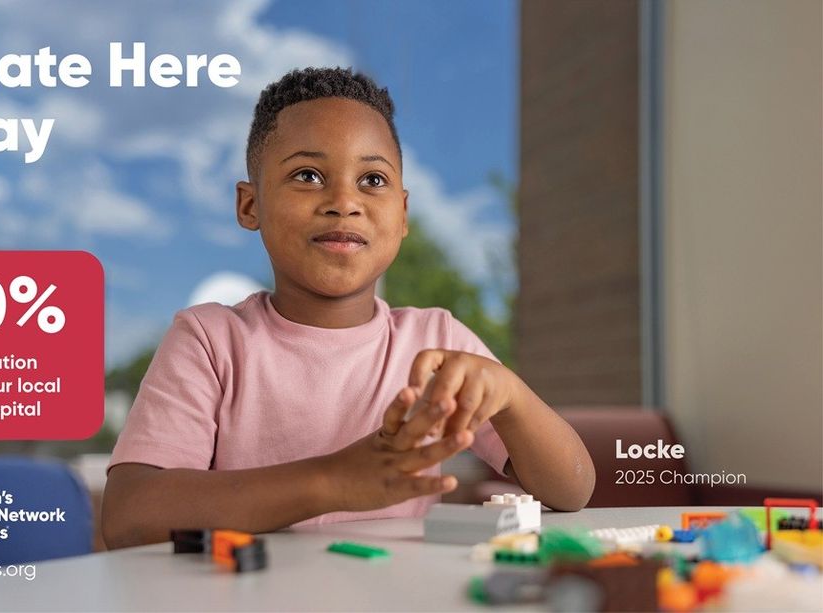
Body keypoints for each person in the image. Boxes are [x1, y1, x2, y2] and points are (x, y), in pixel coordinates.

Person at [102, 67, 594, 549]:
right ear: (250, 206)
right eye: (308, 175)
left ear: (402, 214)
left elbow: (572, 490)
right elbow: (129, 515)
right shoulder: (209, 340)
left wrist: (511, 396)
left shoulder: (437, 343)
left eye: (373, 180)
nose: (343, 201)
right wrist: (330, 481)